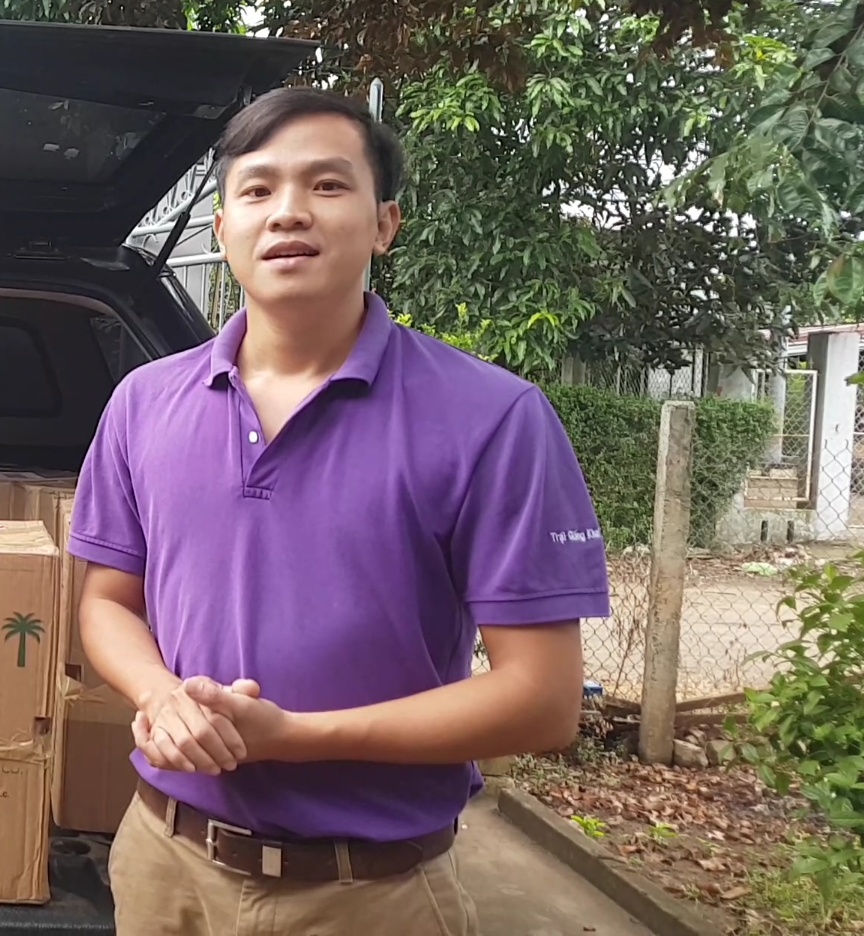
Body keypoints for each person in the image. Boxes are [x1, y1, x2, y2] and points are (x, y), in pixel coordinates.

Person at [70, 87, 610, 935]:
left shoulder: (493, 418)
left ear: (384, 223)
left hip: (372, 894)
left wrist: (294, 736)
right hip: (163, 868)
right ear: (223, 229)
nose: (288, 211)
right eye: (257, 189)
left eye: (326, 185)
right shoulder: (143, 404)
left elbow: (542, 702)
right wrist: (160, 694)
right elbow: (108, 602)